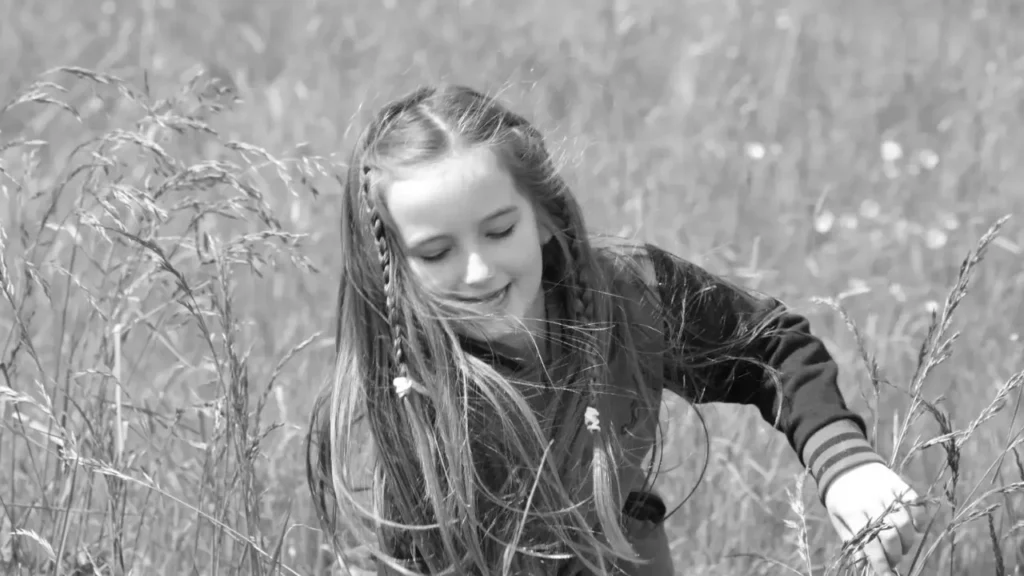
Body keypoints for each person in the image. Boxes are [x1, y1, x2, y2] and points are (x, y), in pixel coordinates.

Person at [305, 84, 926, 576]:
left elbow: (770, 348)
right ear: (393, 266)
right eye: (437, 252)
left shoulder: (628, 297)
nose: (478, 269)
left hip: (616, 554)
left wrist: (848, 467)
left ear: (543, 217)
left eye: (499, 231)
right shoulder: (393, 400)